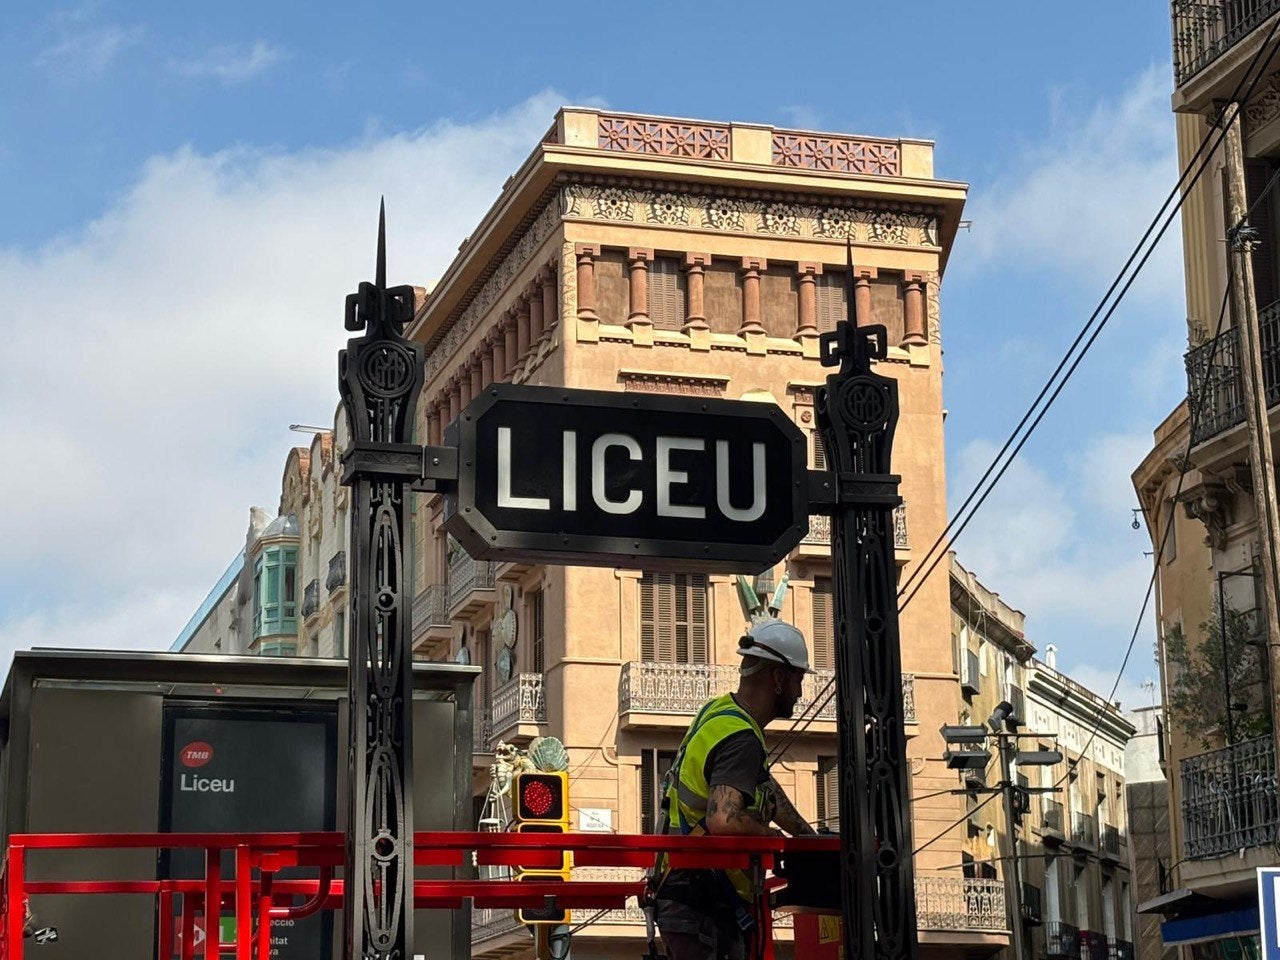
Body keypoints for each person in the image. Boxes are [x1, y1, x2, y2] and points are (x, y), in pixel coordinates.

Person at [650, 618, 818, 960]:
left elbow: (763, 788)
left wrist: (805, 836)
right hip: (705, 900)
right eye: (798, 681)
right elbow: (724, 820)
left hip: (686, 894)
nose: (800, 694)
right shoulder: (741, 738)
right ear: (778, 678)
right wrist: (774, 840)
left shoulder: (720, 713)